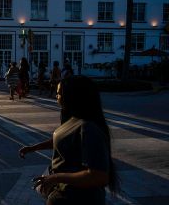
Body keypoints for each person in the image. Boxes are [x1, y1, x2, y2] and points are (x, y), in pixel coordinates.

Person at [18, 76, 119, 205]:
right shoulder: (72, 118)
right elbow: (64, 141)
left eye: (59, 93)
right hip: (61, 193)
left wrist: (55, 178)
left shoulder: (88, 127)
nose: (56, 95)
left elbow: (99, 176)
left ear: (73, 96)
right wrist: (34, 148)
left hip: (78, 198)